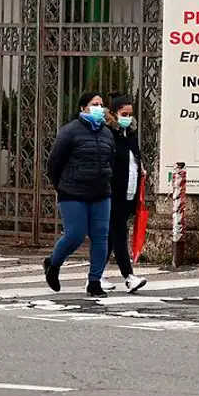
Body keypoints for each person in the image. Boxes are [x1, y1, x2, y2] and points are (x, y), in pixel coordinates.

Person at [44, 92, 115, 297]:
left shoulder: (106, 133)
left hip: (101, 193)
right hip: (73, 193)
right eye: (95, 104)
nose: (99, 108)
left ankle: (94, 281)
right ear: (84, 108)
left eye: (101, 104)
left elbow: (110, 161)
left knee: (101, 237)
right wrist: (61, 186)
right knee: (74, 235)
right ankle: (53, 263)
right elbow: (54, 163)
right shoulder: (70, 131)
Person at [106, 94, 147, 294]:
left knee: (109, 238)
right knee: (119, 234)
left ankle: (94, 276)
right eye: (124, 114)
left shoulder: (129, 135)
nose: (128, 118)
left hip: (129, 193)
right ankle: (129, 277)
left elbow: (134, 159)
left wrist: (141, 169)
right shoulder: (109, 135)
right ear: (114, 114)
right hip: (113, 193)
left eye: (130, 114)